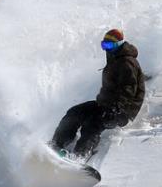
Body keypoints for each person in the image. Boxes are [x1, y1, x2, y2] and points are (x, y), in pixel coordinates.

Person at [50, 29, 145, 158]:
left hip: (122, 111)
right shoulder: (115, 59)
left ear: (119, 44)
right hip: (106, 104)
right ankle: (57, 144)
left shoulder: (126, 62)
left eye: (109, 45)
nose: (106, 49)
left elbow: (128, 88)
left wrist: (117, 108)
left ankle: (80, 155)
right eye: (104, 45)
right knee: (75, 112)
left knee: (93, 123)